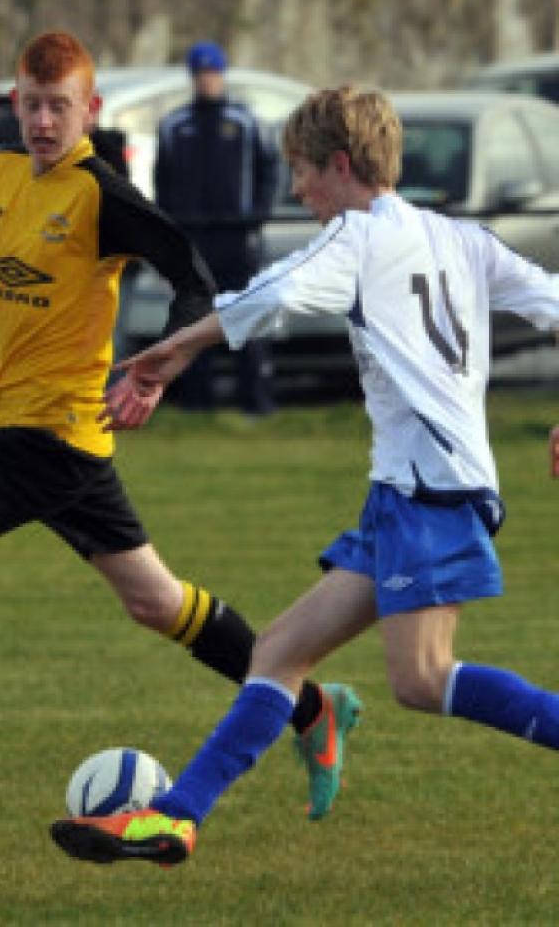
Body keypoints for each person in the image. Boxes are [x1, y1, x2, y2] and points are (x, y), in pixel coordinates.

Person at [0, 32, 344, 810]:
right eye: (32, 104)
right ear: (16, 103)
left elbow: (194, 276)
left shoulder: (102, 195)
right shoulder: (3, 174)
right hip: (62, 446)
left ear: (92, 110)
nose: (44, 121)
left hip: (44, 440)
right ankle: (313, 706)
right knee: (156, 604)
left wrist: (162, 363)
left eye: (60, 106)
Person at [50, 84, 559, 867]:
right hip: (409, 495)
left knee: (421, 678)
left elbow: (277, 292)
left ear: (342, 165)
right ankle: (175, 817)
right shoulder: (463, 239)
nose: (296, 191)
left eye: (301, 172)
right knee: (280, 651)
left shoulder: (359, 235)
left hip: (430, 494)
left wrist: (177, 349)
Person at [153, 40, 278, 415]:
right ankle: (197, 405)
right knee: (194, 320)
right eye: (201, 74)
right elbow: (164, 180)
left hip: (237, 235)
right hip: (195, 237)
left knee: (247, 317)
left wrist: (257, 212)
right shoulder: (174, 125)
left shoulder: (244, 121)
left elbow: (267, 170)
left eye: (213, 74)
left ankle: (256, 403)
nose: (207, 81)